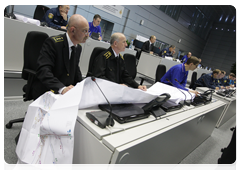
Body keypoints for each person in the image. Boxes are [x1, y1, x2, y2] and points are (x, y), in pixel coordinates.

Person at [31, 14, 89, 100]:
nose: (87, 35)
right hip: (49, 89)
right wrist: (62, 88)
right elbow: (43, 70)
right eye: (85, 31)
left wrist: (82, 88)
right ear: (73, 30)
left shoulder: (78, 47)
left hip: (66, 91)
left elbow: (75, 69)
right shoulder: (53, 43)